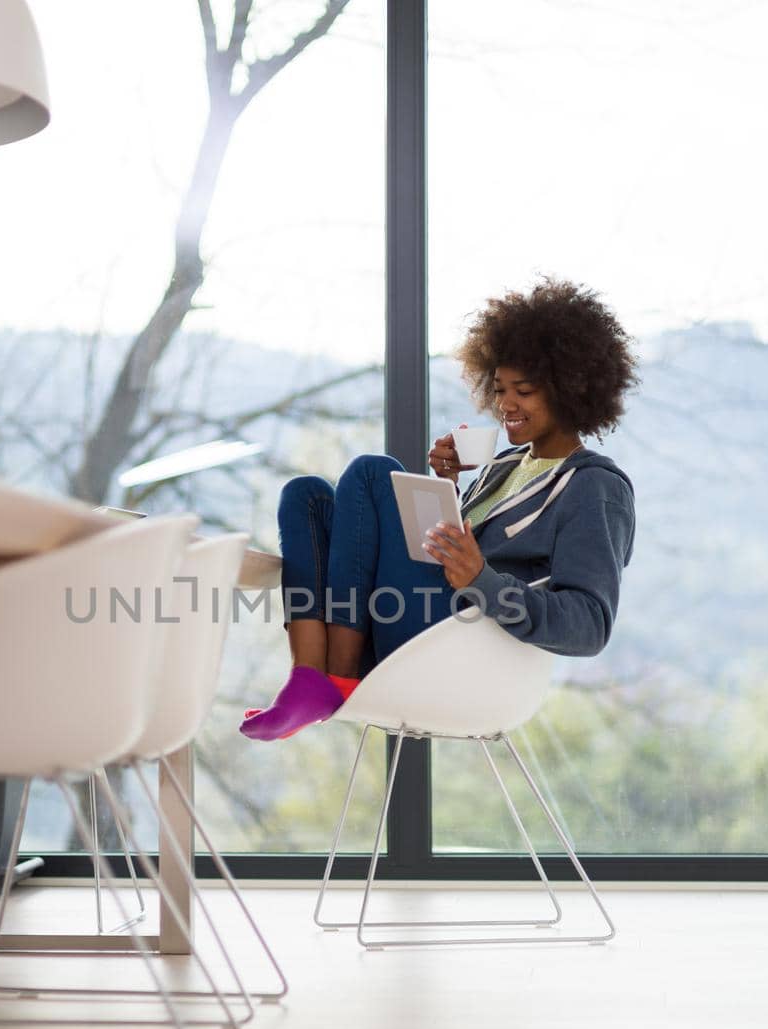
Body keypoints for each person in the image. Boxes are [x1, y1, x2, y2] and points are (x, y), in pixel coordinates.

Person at [240, 277, 638, 741]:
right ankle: (307, 679)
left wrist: (482, 581)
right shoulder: (504, 466)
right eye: (501, 388)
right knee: (305, 495)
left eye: (523, 391)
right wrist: (445, 487)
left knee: (372, 473)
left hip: (462, 650)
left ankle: (340, 677)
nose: (505, 404)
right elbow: (446, 554)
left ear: (571, 389)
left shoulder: (594, 487)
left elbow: (589, 625)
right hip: (416, 621)